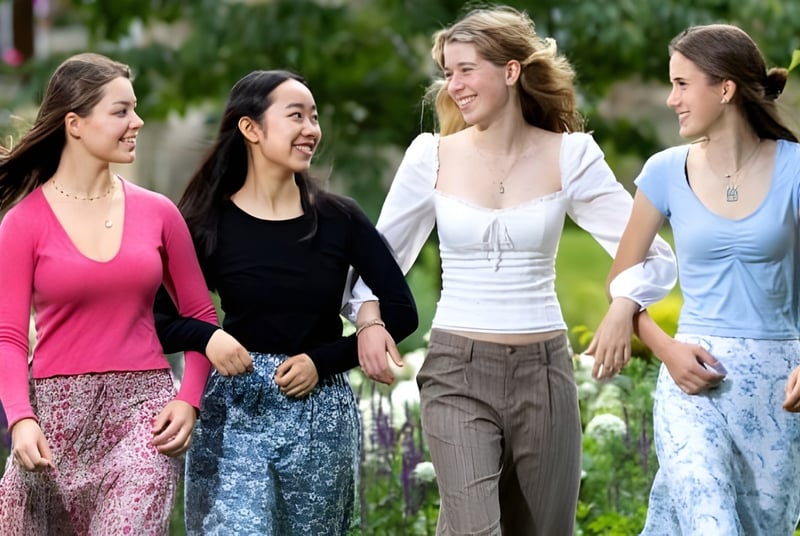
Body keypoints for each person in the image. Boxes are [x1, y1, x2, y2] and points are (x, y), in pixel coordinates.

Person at [349, 5, 677, 535]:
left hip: (544, 373)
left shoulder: (572, 155)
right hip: (456, 369)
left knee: (545, 529)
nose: (453, 85)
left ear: (510, 70)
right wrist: (368, 318)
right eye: (448, 72)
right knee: (476, 529)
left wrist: (624, 304)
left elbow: (652, 253)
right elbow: (378, 257)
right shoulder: (429, 156)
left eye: (465, 69)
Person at [153, 69, 418, 535]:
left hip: (320, 414)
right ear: (250, 129)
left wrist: (325, 360)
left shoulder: (340, 218)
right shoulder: (206, 223)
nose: (311, 129)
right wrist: (210, 337)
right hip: (235, 410)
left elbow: (402, 311)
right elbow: (160, 317)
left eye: (314, 117)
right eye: (296, 116)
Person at [590, 24, 800, 535]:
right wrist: (663, 347)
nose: (670, 99)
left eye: (682, 84)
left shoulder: (796, 169)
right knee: (712, 524)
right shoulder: (663, 172)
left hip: (780, 388)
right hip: (691, 382)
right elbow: (622, 279)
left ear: (724, 89)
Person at [0, 52, 218, 534]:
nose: (137, 121)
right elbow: (9, 337)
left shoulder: (159, 213)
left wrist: (189, 399)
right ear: (74, 124)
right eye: (121, 111)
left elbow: (201, 315)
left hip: (143, 416)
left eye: (135, 108)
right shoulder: (23, 223)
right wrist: (20, 420)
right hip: (52, 424)